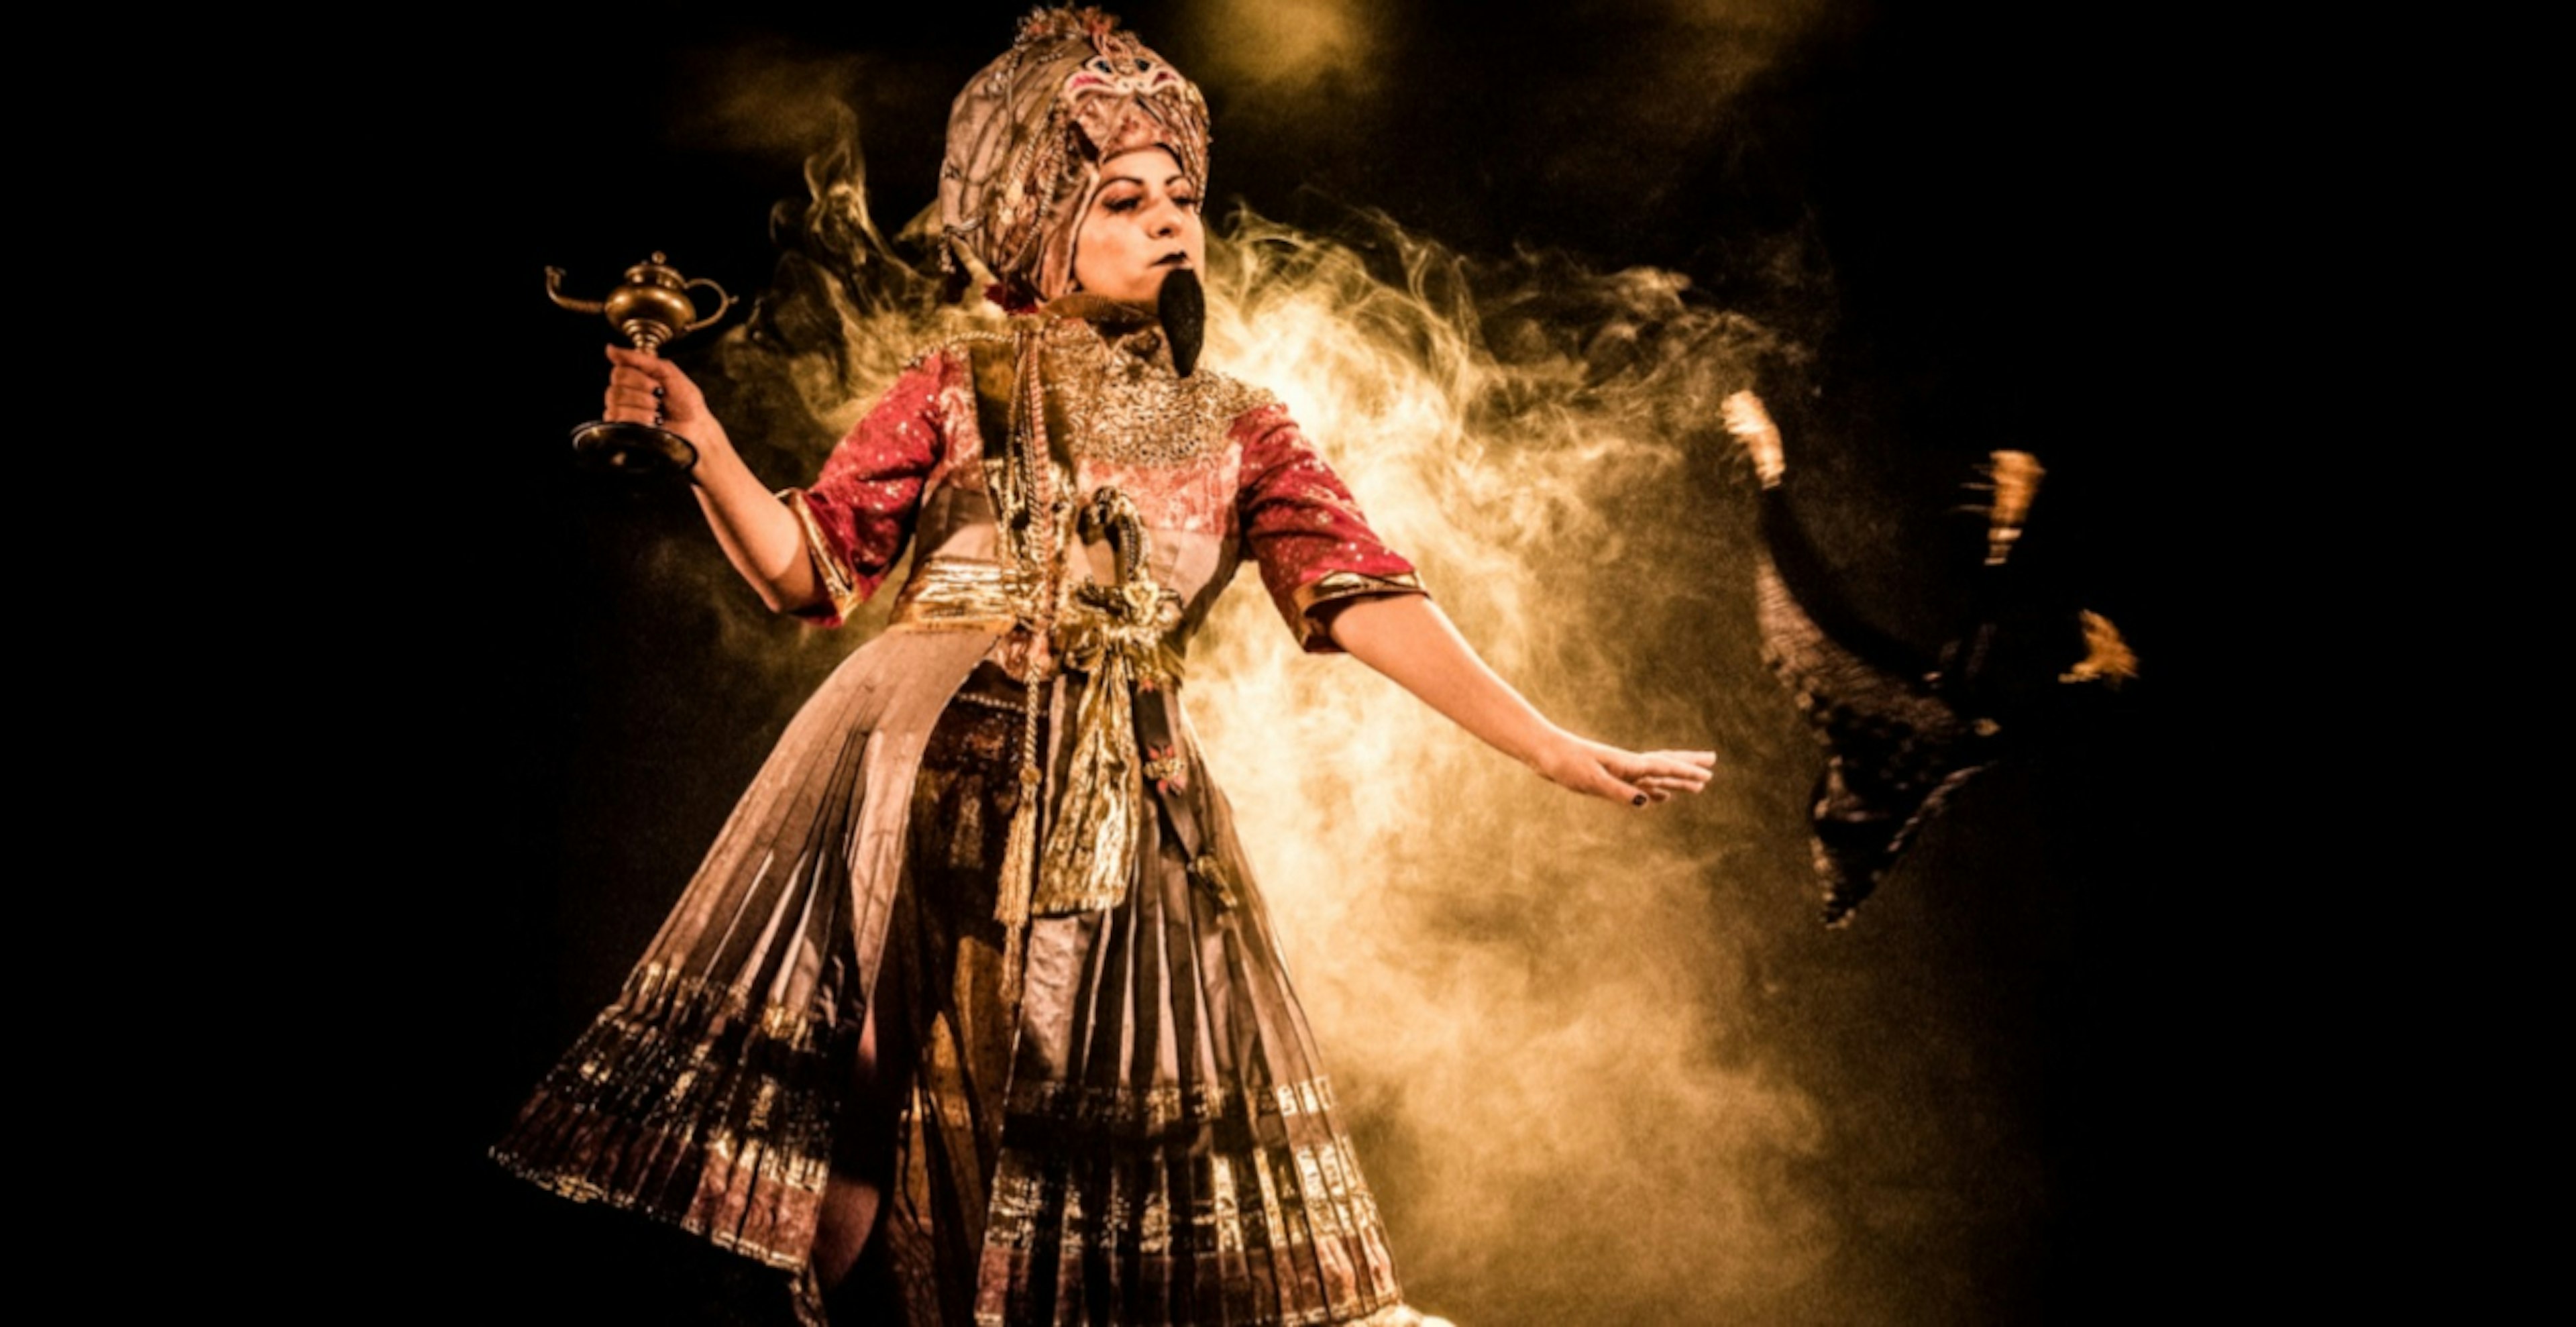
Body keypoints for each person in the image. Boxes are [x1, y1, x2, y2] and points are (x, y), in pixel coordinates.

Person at [494, 9, 1715, 1324]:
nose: (1170, 220)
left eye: (1182, 197)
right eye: (1124, 199)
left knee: (1114, 1127)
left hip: (1118, 806)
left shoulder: (1238, 424)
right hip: (921, 783)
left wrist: (1545, 742)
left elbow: (1365, 592)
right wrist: (701, 444)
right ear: (1037, 223)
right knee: (873, 1113)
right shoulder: (956, 382)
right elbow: (813, 571)